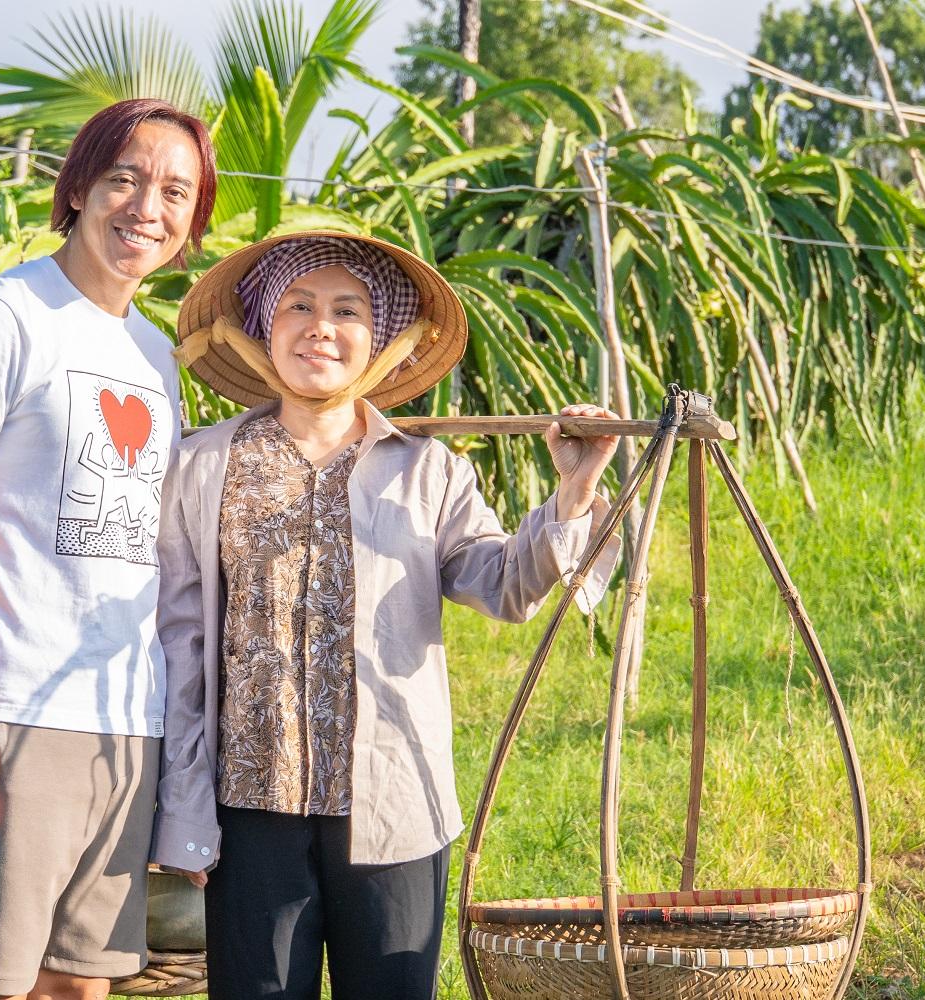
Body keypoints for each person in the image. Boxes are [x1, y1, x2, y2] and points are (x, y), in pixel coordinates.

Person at [152, 231, 623, 1000]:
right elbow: (180, 644)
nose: (321, 327)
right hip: (249, 805)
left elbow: (503, 585)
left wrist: (573, 493)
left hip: (392, 801)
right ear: (268, 327)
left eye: (347, 311)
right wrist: (181, 801)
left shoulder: (429, 469)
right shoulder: (205, 465)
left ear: (379, 342)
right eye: (298, 306)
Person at [0, 98, 216, 1000]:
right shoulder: (0, 318)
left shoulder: (155, 357)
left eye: (174, 191)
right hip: (11, 709)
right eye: (124, 178)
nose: (145, 208)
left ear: (192, 222)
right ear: (77, 188)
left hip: (125, 720)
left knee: (82, 985)